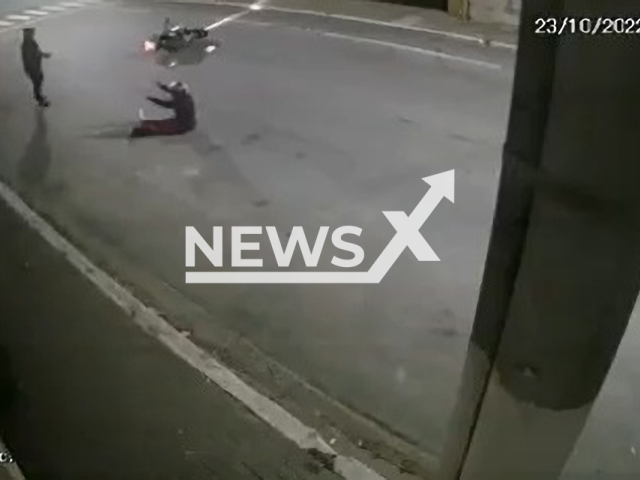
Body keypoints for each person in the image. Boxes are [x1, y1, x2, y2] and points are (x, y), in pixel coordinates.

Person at [130, 81, 196, 138]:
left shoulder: (180, 101)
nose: (172, 95)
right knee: (163, 123)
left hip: (183, 125)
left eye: (173, 93)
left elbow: (166, 104)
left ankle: (142, 129)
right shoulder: (186, 97)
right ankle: (145, 124)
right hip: (187, 123)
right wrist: (161, 86)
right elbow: (170, 91)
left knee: (160, 126)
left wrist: (152, 99)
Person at [21, 28, 51, 107]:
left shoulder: (31, 42)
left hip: (35, 66)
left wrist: (44, 55)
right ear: (28, 34)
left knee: (39, 79)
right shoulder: (27, 44)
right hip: (33, 67)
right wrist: (43, 55)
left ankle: (39, 96)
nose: (33, 33)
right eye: (32, 32)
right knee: (37, 81)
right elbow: (31, 55)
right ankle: (39, 99)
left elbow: (37, 52)